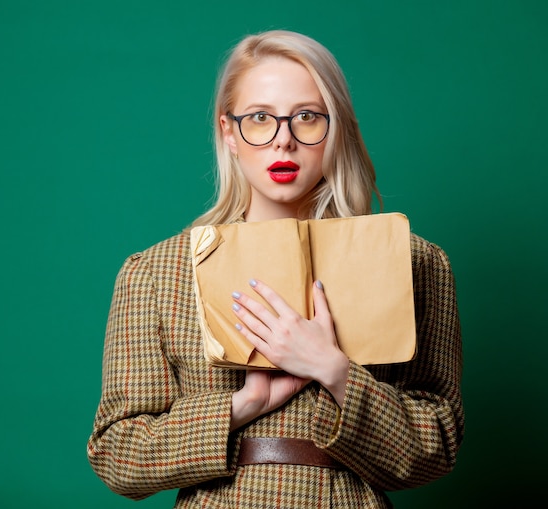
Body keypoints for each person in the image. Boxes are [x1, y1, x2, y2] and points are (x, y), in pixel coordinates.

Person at [87, 30, 464, 508]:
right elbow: (117, 457)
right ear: (229, 132)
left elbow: (438, 448)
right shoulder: (158, 272)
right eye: (260, 118)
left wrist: (334, 370)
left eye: (307, 117)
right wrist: (242, 405)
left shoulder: (415, 262)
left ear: (336, 128)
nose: (283, 141)